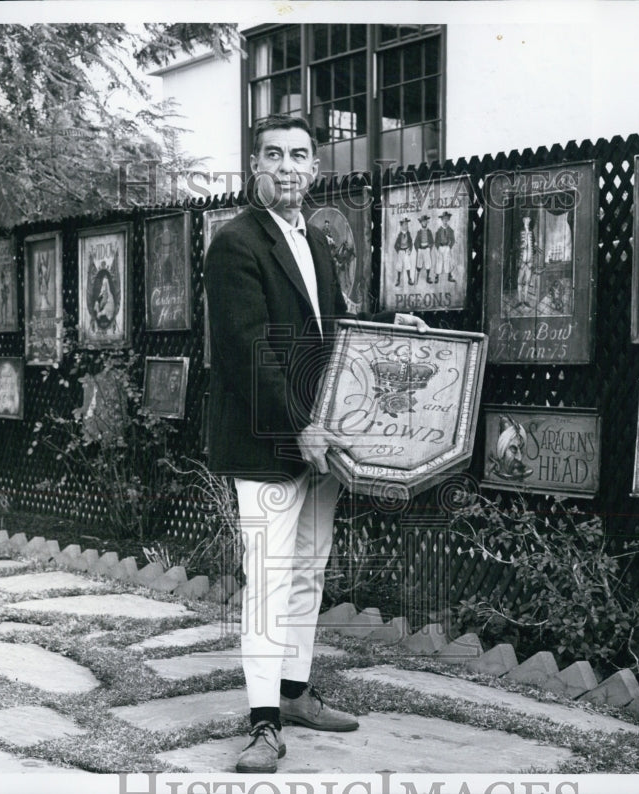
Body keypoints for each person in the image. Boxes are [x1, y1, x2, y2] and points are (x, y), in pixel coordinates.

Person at [204, 114, 427, 774]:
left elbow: (330, 333)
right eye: (273, 155)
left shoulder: (318, 243)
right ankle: (263, 722)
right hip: (269, 440)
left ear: (315, 169)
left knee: (307, 567)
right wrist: (299, 427)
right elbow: (250, 351)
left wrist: (391, 328)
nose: (287, 166)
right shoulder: (234, 244)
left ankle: (295, 692)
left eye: (299, 155)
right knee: (268, 580)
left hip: (321, 440)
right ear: (255, 167)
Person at [434, 211, 456, 284]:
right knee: (439, 261)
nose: (445, 220)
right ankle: (437, 276)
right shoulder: (439, 230)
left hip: (447, 247)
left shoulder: (450, 230)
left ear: (448, 219)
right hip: (440, 247)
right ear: (442, 220)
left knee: (448, 261)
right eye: (444, 219)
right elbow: (436, 240)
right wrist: (438, 247)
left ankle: (449, 276)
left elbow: (452, 240)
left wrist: (449, 247)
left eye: (447, 218)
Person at [393, 217, 414, 286]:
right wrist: (398, 251)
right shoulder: (399, 235)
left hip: (406, 251)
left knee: (408, 265)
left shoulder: (408, 234)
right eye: (405, 224)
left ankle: (409, 279)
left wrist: (410, 250)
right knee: (399, 266)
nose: (406, 226)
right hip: (401, 252)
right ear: (401, 226)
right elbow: (395, 245)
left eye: (407, 224)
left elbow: (411, 243)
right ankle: (398, 280)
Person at [414, 215, 434, 284]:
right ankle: (416, 278)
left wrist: (429, 247)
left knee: (428, 263)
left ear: (427, 222)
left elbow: (432, 241)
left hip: (427, 249)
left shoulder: (429, 231)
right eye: (423, 222)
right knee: (419, 264)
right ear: (421, 223)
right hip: (420, 249)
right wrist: (418, 249)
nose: (424, 223)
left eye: (425, 221)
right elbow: (415, 242)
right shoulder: (419, 232)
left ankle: (427, 278)